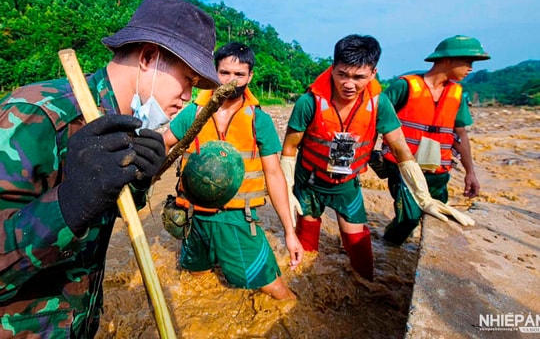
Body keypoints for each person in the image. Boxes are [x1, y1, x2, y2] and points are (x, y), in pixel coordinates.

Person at [0, 0, 220, 337]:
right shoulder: (36, 116)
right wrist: (68, 204)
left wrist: (138, 182)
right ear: (149, 57)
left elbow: (107, 211)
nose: (188, 97)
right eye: (188, 80)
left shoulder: (127, 125)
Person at [280, 34, 474, 282]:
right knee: (306, 241)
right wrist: (287, 189)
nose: (348, 84)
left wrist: (423, 197)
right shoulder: (309, 102)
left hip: (346, 182)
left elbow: (401, 150)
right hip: (310, 180)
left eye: (358, 77)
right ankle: (304, 288)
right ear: (333, 67)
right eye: (342, 74)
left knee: (358, 244)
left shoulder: (379, 104)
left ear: (373, 73)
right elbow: (289, 149)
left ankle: (363, 290)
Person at [162, 42, 303, 300]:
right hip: (192, 216)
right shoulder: (193, 112)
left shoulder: (259, 120)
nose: (231, 80)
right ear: (214, 72)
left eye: (239, 75)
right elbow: (164, 144)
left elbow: (274, 175)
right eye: (224, 73)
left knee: (273, 288)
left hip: (236, 217)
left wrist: (289, 232)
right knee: (198, 279)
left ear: (250, 76)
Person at [381, 35, 488, 245]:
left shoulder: (457, 93)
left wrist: (471, 173)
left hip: (438, 170)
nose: (470, 69)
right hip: (403, 168)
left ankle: (412, 254)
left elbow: (460, 135)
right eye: (467, 62)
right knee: (409, 218)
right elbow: (374, 118)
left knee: (437, 216)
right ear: (447, 60)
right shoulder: (405, 86)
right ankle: (388, 247)